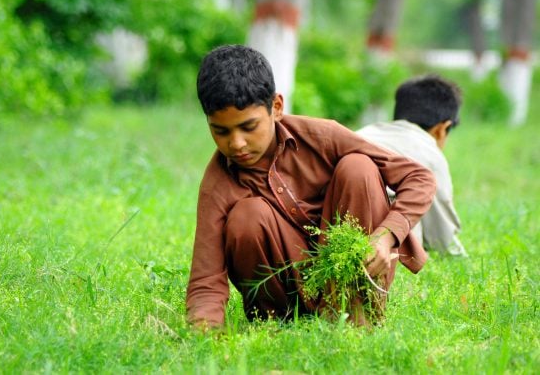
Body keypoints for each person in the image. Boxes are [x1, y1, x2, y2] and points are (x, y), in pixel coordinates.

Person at [186, 45, 436, 329]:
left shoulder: (323, 137)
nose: (237, 143)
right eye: (221, 131)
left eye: (249, 127)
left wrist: (385, 236)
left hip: (349, 282)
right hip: (284, 305)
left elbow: (419, 178)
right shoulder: (217, 185)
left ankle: (356, 319)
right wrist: (204, 335)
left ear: (277, 108)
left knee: (359, 167)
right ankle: (280, 326)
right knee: (247, 214)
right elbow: (206, 281)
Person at [357, 75, 467, 257]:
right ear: (442, 128)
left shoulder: (363, 133)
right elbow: (442, 235)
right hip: (383, 240)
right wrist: (459, 256)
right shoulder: (430, 154)